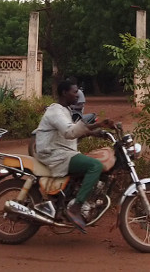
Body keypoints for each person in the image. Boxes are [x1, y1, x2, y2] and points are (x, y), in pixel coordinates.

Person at [33, 80, 114, 233]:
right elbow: (70, 132)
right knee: (95, 165)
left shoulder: (65, 111)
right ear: (64, 93)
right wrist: (97, 126)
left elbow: (74, 131)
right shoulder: (55, 111)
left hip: (63, 151)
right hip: (54, 153)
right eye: (74, 92)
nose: (77, 95)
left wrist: (97, 131)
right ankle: (76, 207)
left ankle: (71, 198)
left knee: (87, 164)